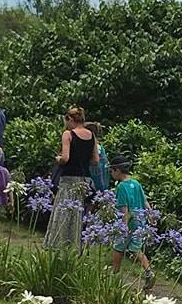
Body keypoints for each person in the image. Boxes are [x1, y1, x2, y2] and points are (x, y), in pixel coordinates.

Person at [45, 106, 97, 250]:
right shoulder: (92, 135)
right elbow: (95, 160)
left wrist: (58, 158)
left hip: (69, 179)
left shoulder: (68, 134)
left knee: (64, 211)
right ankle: (75, 245)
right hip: (85, 179)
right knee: (79, 213)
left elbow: (66, 158)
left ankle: (58, 243)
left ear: (70, 119)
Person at [109, 155, 153, 286]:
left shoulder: (121, 187)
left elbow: (124, 209)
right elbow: (144, 200)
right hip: (140, 222)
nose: (111, 174)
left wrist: (123, 227)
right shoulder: (136, 183)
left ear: (117, 170)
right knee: (136, 249)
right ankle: (149, 272)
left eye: (111, 171)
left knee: (118, 248)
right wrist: (150, 215)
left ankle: (114, 274)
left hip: (128, 222)